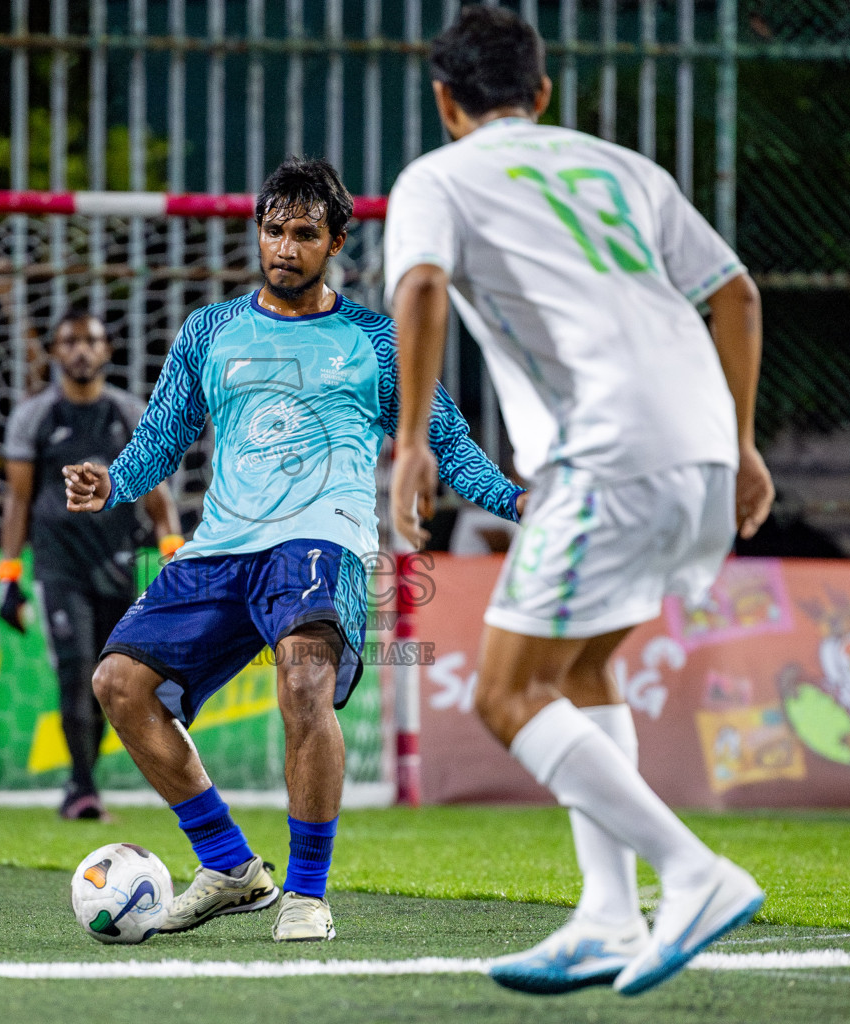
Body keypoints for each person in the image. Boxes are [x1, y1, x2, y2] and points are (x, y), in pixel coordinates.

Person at [386, 7, 774, 997]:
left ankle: (692, 871)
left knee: (506, 692)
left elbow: (421, 288)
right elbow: (737, 294)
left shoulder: (437, 176)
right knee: (586, 666)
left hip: (606, 452)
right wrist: (737, 443)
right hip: (698, 447)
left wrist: (412, 441)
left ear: (445, 100)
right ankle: (608, 913)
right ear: (543, 92)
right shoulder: (624, 167)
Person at [64, 157, 525, 942]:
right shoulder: (209, 331)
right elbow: (165, 431)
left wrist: (515, 501)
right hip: (220, 547)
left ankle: (308, 894)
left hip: (323, 540)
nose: (285, 247)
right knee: (118, 684)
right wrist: (112, 485)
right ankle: (231, 868)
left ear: (336, 241)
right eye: (274, 230)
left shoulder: (377, 342)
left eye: (305, 233)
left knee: (303, 680)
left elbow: (445, 439)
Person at [0, 311, 183, 820]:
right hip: (59, 566)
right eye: (70, 341)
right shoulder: (34, 417)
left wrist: (173, 553)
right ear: (56, 352)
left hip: (118, 564)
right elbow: (18, 501)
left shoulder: (127, 413)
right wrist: (8, 577)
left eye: (92, 341)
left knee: (109, 677)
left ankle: (86, 778)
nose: (81, 350)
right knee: (75, 668)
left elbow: (155, 492)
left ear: (107, 351)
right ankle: (81, 787)